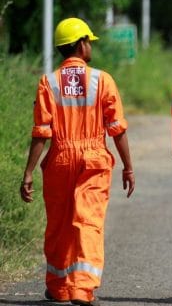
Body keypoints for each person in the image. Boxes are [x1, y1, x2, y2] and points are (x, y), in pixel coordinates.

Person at [19, 17, 135, 306]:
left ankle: (58, 286)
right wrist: (128, 166)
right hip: (93, 158)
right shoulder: (102, 80)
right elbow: (117, 128)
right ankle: (82, 288)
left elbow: (41, 133)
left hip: (59, 158)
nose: (90, 47)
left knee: (58, 225)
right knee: (88, 221)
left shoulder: (48, 82)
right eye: (89, 42)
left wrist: (29, 172)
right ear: (81, 44)